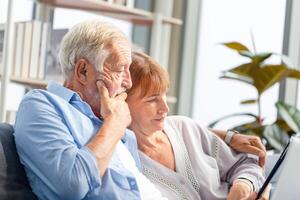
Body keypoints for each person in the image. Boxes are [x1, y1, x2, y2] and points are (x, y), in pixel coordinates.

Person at [14, 20, 167, 200]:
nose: (128, 82)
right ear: (83, 71)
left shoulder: (110, 116)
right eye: (119, 71)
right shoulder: (41, 104)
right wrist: (114, 125)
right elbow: (72, 185)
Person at [124, 51, 267, 200]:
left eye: (164, 94)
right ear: (122, 102)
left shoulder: (185, 129)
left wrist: (243, 185)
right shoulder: (124, 162)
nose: (165, 108)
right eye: (152, 99)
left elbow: (245, 163)